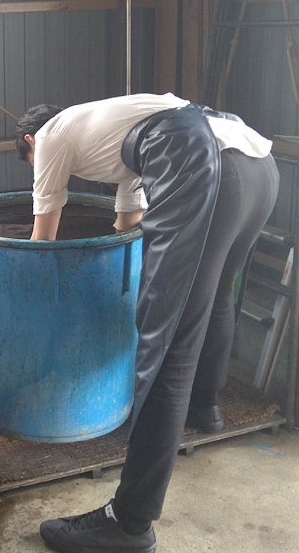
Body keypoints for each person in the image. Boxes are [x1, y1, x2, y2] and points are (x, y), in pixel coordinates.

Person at [15, 93, 279, 553]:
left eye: (30, 161)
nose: (37, 168)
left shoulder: (52, 135)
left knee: (166, 340)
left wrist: (29, 300)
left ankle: (130, 522)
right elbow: (127, 222)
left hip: (206, 165)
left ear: (29, 142)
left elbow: (44, 237)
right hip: (256, 167)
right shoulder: (111, 126)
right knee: (215, 296)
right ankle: (205, 407)